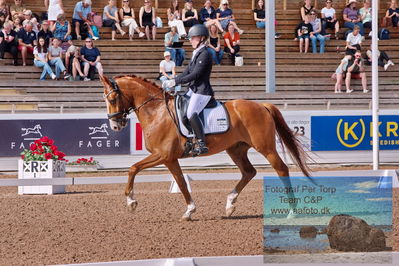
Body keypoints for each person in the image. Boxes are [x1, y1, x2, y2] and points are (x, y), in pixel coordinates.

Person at [162, 24, 214, 155]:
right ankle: (191, 139)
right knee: (182, 112)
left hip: (202, 91)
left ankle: (202, 143)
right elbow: (187, 71)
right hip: (193, 89)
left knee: (191, 113)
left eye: (193, 38)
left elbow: (195, 74)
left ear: (202, 38)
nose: (190, 40)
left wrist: (176, 81)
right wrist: (174, 80)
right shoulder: (197, 53)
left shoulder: (205, 54)